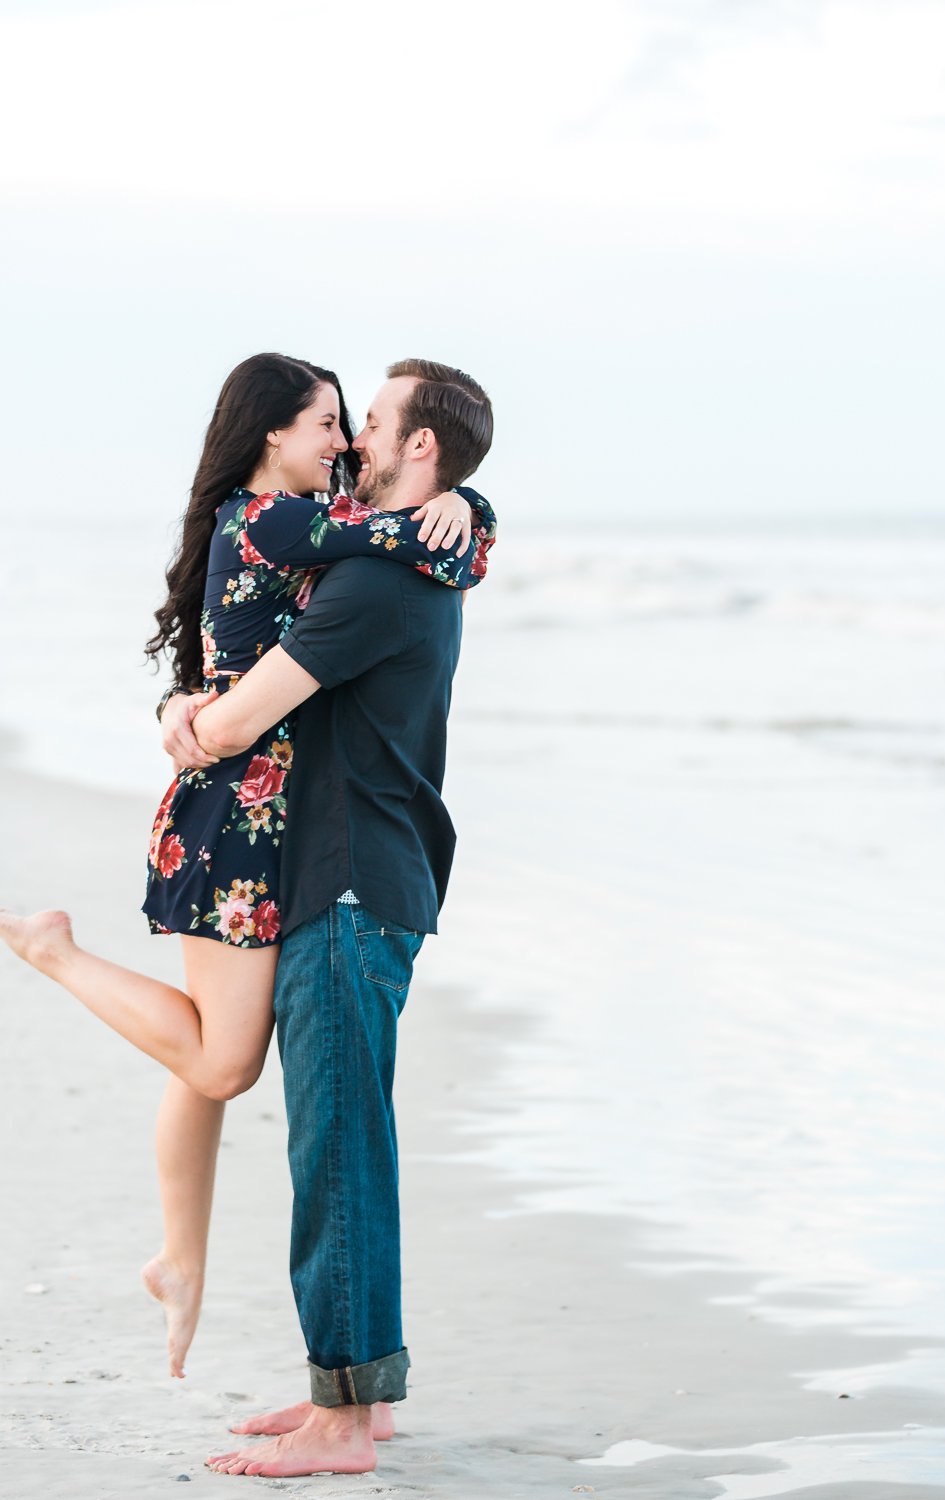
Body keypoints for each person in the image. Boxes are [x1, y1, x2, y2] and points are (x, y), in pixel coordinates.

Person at [0, 354, 495, 1400]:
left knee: (212, 1054)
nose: (347, 442)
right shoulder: (272, 518)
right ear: (271, 433)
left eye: (357, 423)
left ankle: (181, 1259)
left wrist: (463, 496)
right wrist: (460, 505)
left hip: (275, 814)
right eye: (328, 422)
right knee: (223, 1063)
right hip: (235, 817)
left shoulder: (307, 529)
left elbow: (237, 652)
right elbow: (404, 540)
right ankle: (51, 949)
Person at [155, 357, 495, 1478]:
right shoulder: (411, 552)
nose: (350, 443)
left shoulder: (376, 583)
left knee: (337, 1147)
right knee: (350, 1142)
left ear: (421, 452)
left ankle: (345, 1418)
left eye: (374, 426)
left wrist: (192, 719)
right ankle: (360, 1392)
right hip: (364, 878)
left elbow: (243, 717)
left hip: (345, 886)